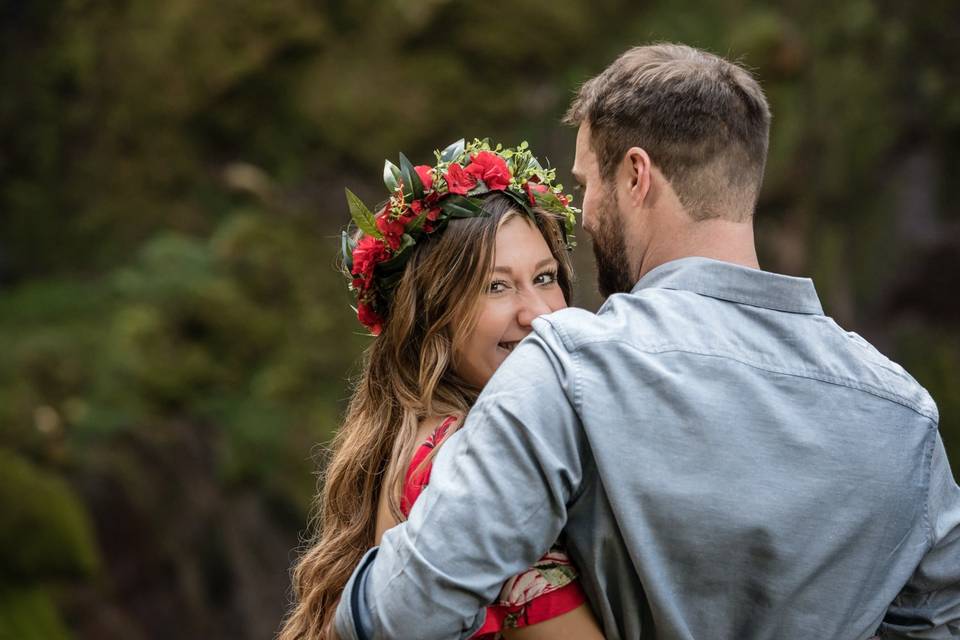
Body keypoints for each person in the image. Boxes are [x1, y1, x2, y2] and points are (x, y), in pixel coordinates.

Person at [332, 44, 960, 639]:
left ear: (636, 175)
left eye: (586, 185)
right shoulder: (905, 415)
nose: (584, 210)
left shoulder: (567, 369)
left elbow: (400, 614)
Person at [278, 139, 605, 639]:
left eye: (544, 277)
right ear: (432, 317)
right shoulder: (482, 473)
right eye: (495, 286)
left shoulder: (412, 442)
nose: (537, 313)